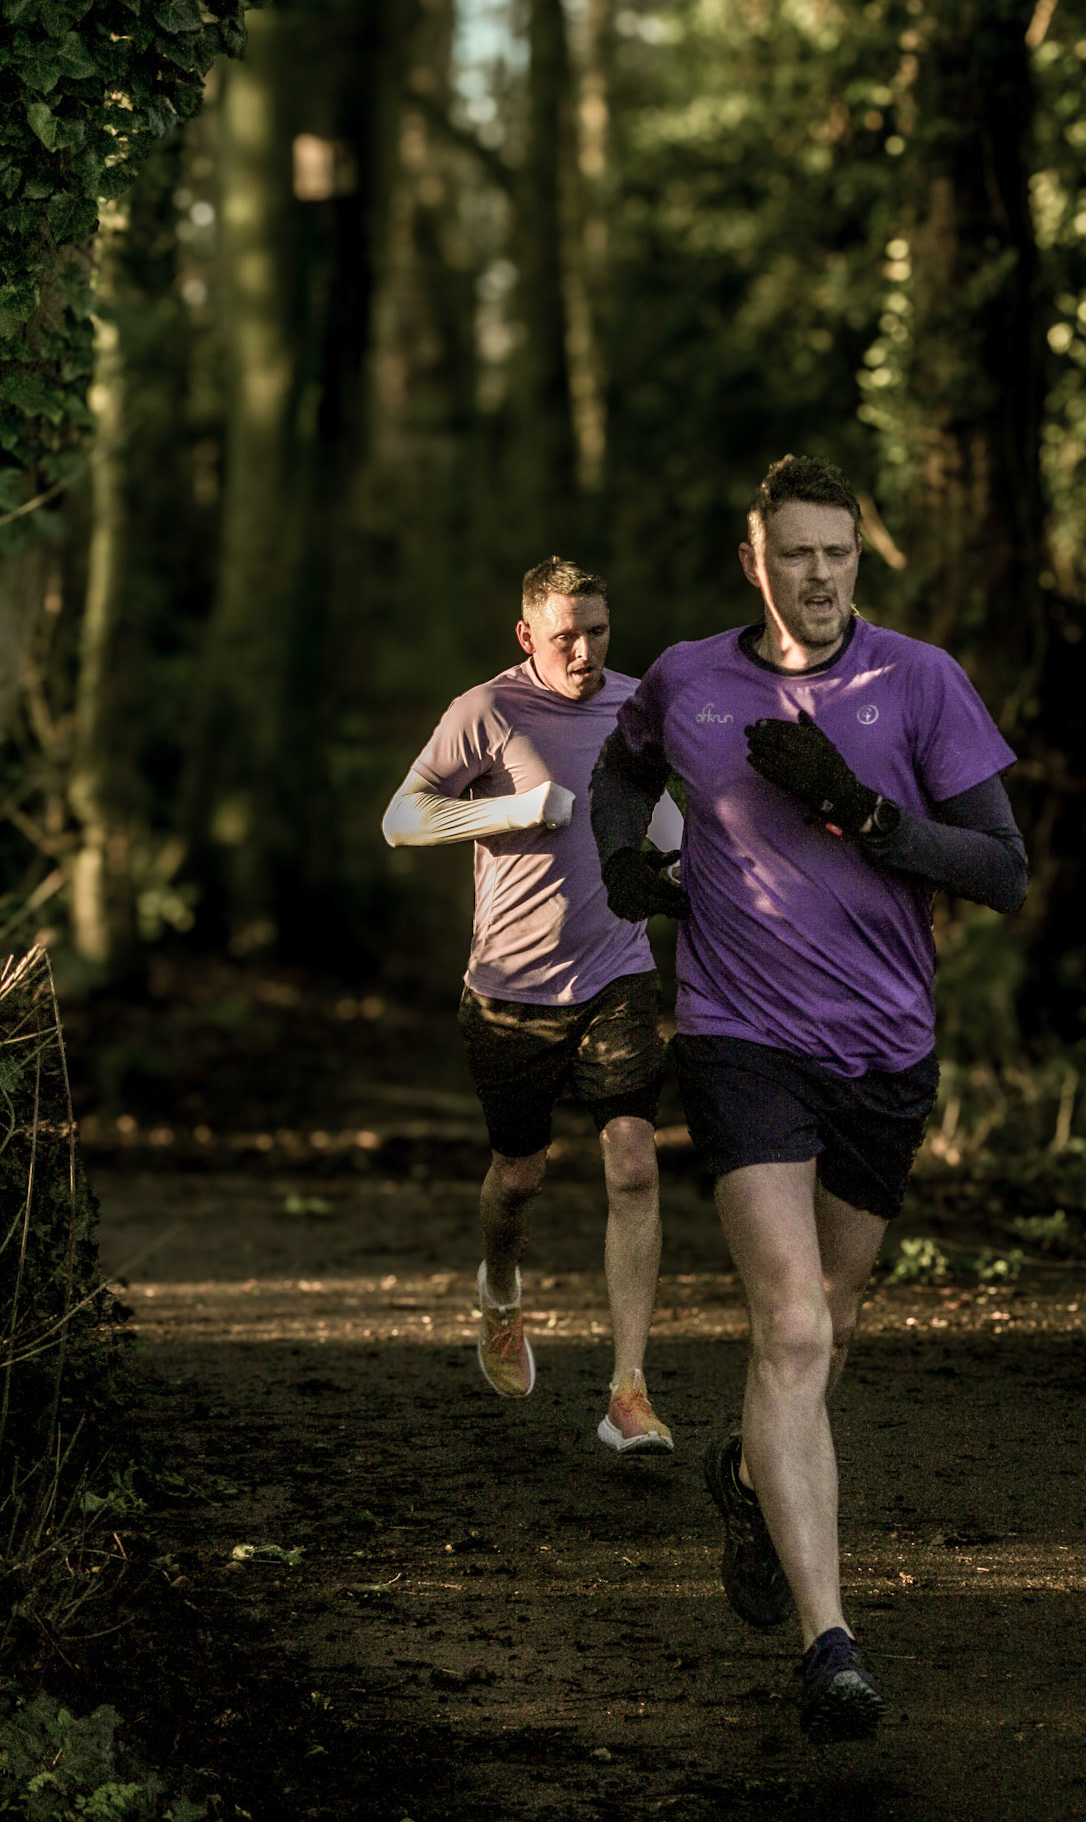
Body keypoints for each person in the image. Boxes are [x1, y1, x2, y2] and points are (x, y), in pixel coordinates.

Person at [591, 455, 1027, 1742]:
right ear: (757, 561)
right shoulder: (687, 679)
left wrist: (864, 811)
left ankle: (743, 1468)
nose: (823, 574)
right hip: (739, 1041)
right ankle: (829, 1637)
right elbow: (625, 768)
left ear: (856, 558)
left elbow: (1002, 869)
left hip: (884, 1053)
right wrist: (624, 850)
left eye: (840, 551)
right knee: (788, 1327)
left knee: (827, 1326)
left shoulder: (921, 681)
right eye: (799, 553)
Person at [383, 557, 686, 1454]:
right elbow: (402, 819)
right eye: (565, 636)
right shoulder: (488, 710)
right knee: (519, 1174)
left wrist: (691, 870)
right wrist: (521, 808)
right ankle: (501, 1292)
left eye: (596, 630)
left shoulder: (638, 706)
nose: (584, 651)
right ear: (527, 636)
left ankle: (628, 1390)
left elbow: (663, 823)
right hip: (511, 991)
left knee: (633, 1163)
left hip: (617, 974)